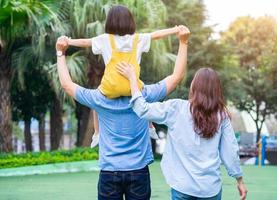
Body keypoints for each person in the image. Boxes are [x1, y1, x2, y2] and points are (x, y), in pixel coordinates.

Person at [56, 26, 190, 199]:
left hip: (109, 172)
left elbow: (67, 85)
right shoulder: (144, 96)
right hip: (139, 171)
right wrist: (183, 42)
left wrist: (61, 53)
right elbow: (176, 76)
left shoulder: (99, 98)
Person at [118, 65, 248, 200]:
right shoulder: (222, 116)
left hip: (182, 187)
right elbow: (230, 151)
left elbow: (142, 109)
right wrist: (239, 180)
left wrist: (132, 79)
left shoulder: (176, 108)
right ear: (216, 91)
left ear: (194, 86)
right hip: (210, 189)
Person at [65, 5, 181, 147]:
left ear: (110, 22)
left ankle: (97, 133)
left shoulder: (105, 39)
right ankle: (150, 126)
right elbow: (156, 34)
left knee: (95, 101)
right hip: (132, 88)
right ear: (130, 21)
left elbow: (85, 42)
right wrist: (174, 30)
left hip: (111, 88)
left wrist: (69, 41)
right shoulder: (137, 39)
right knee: (144, 95)